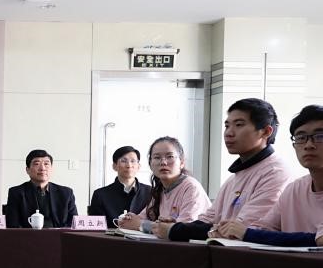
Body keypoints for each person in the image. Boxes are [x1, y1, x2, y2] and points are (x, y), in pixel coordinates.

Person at [164, 98, 295, 241]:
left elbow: (244, 229)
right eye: (227, 126)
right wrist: (178, 226)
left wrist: (176, 231)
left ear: (266, 131)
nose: (228, 133)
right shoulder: (234, 177)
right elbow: (209, 219)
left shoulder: (275, 172)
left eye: (239, 125)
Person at [213, 104, 323, 246]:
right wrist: (228, 231)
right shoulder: (293, 189)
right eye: (301, 137)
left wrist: (246, 233)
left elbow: (320, 240)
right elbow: (262, 228)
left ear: (266, 132)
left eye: (320, 136)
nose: (309, 145)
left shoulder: (276, 172)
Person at [118, 136, 211, 234]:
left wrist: (141, 224)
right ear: (150, 164)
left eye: (170, 156)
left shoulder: (191, 187)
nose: (163, 162)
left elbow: (183, 230)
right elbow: (141, 219)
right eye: (157, 157)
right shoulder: (160, 189)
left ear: (182, 162)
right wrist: (129, 219)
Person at [5, 149, 77, 228]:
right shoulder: (16, 193)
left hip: (59, 235)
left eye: (46, 164)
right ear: (27, 170)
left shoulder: (66, 193)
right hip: (28, 235)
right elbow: (13, 225)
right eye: (36, 164)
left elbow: (73, 224)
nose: (42, 168)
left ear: (51, 169)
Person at [87, 146, 151, 226]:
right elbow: (96, 227)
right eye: (123, 161)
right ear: (114, 166)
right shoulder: (100, 194)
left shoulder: (150, 192)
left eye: (133, 161)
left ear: (138, 166)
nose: (129, 165)